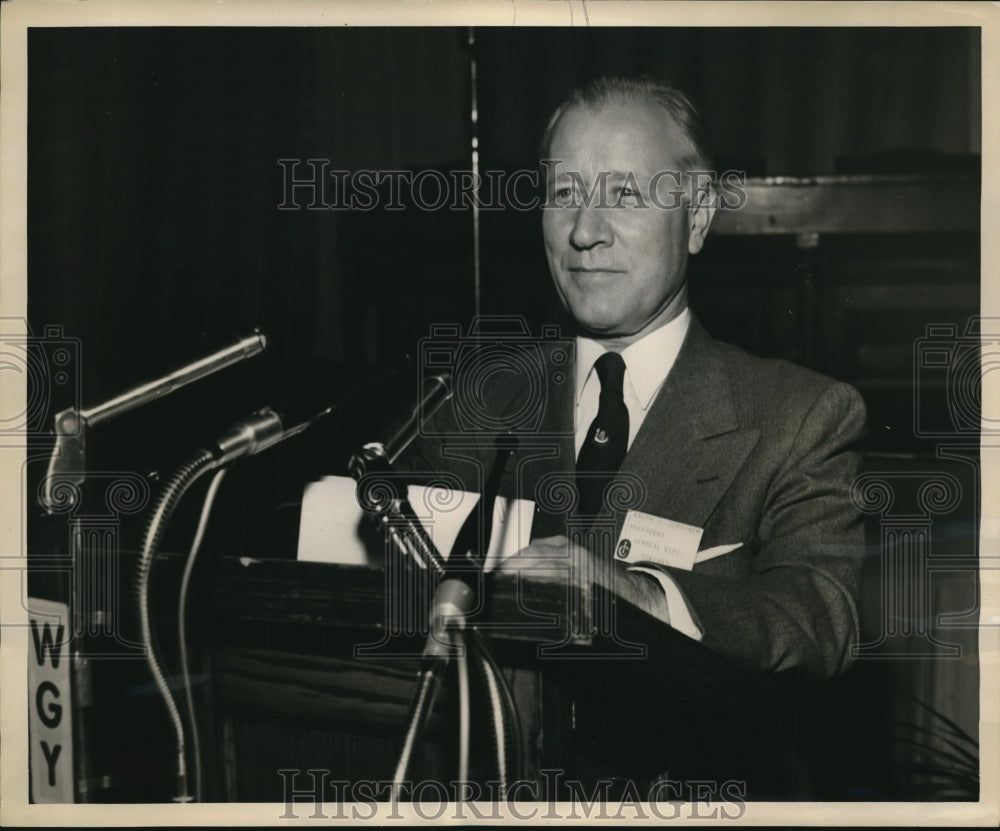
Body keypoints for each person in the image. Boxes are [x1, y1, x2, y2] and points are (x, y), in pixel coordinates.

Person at [398, 75, 866, 682]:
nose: (584, 231)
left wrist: (638, 597)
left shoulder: (800, 418)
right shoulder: (473, 406)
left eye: (623, 194)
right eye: (565, 192)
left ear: (697, 217)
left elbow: (819, 617)